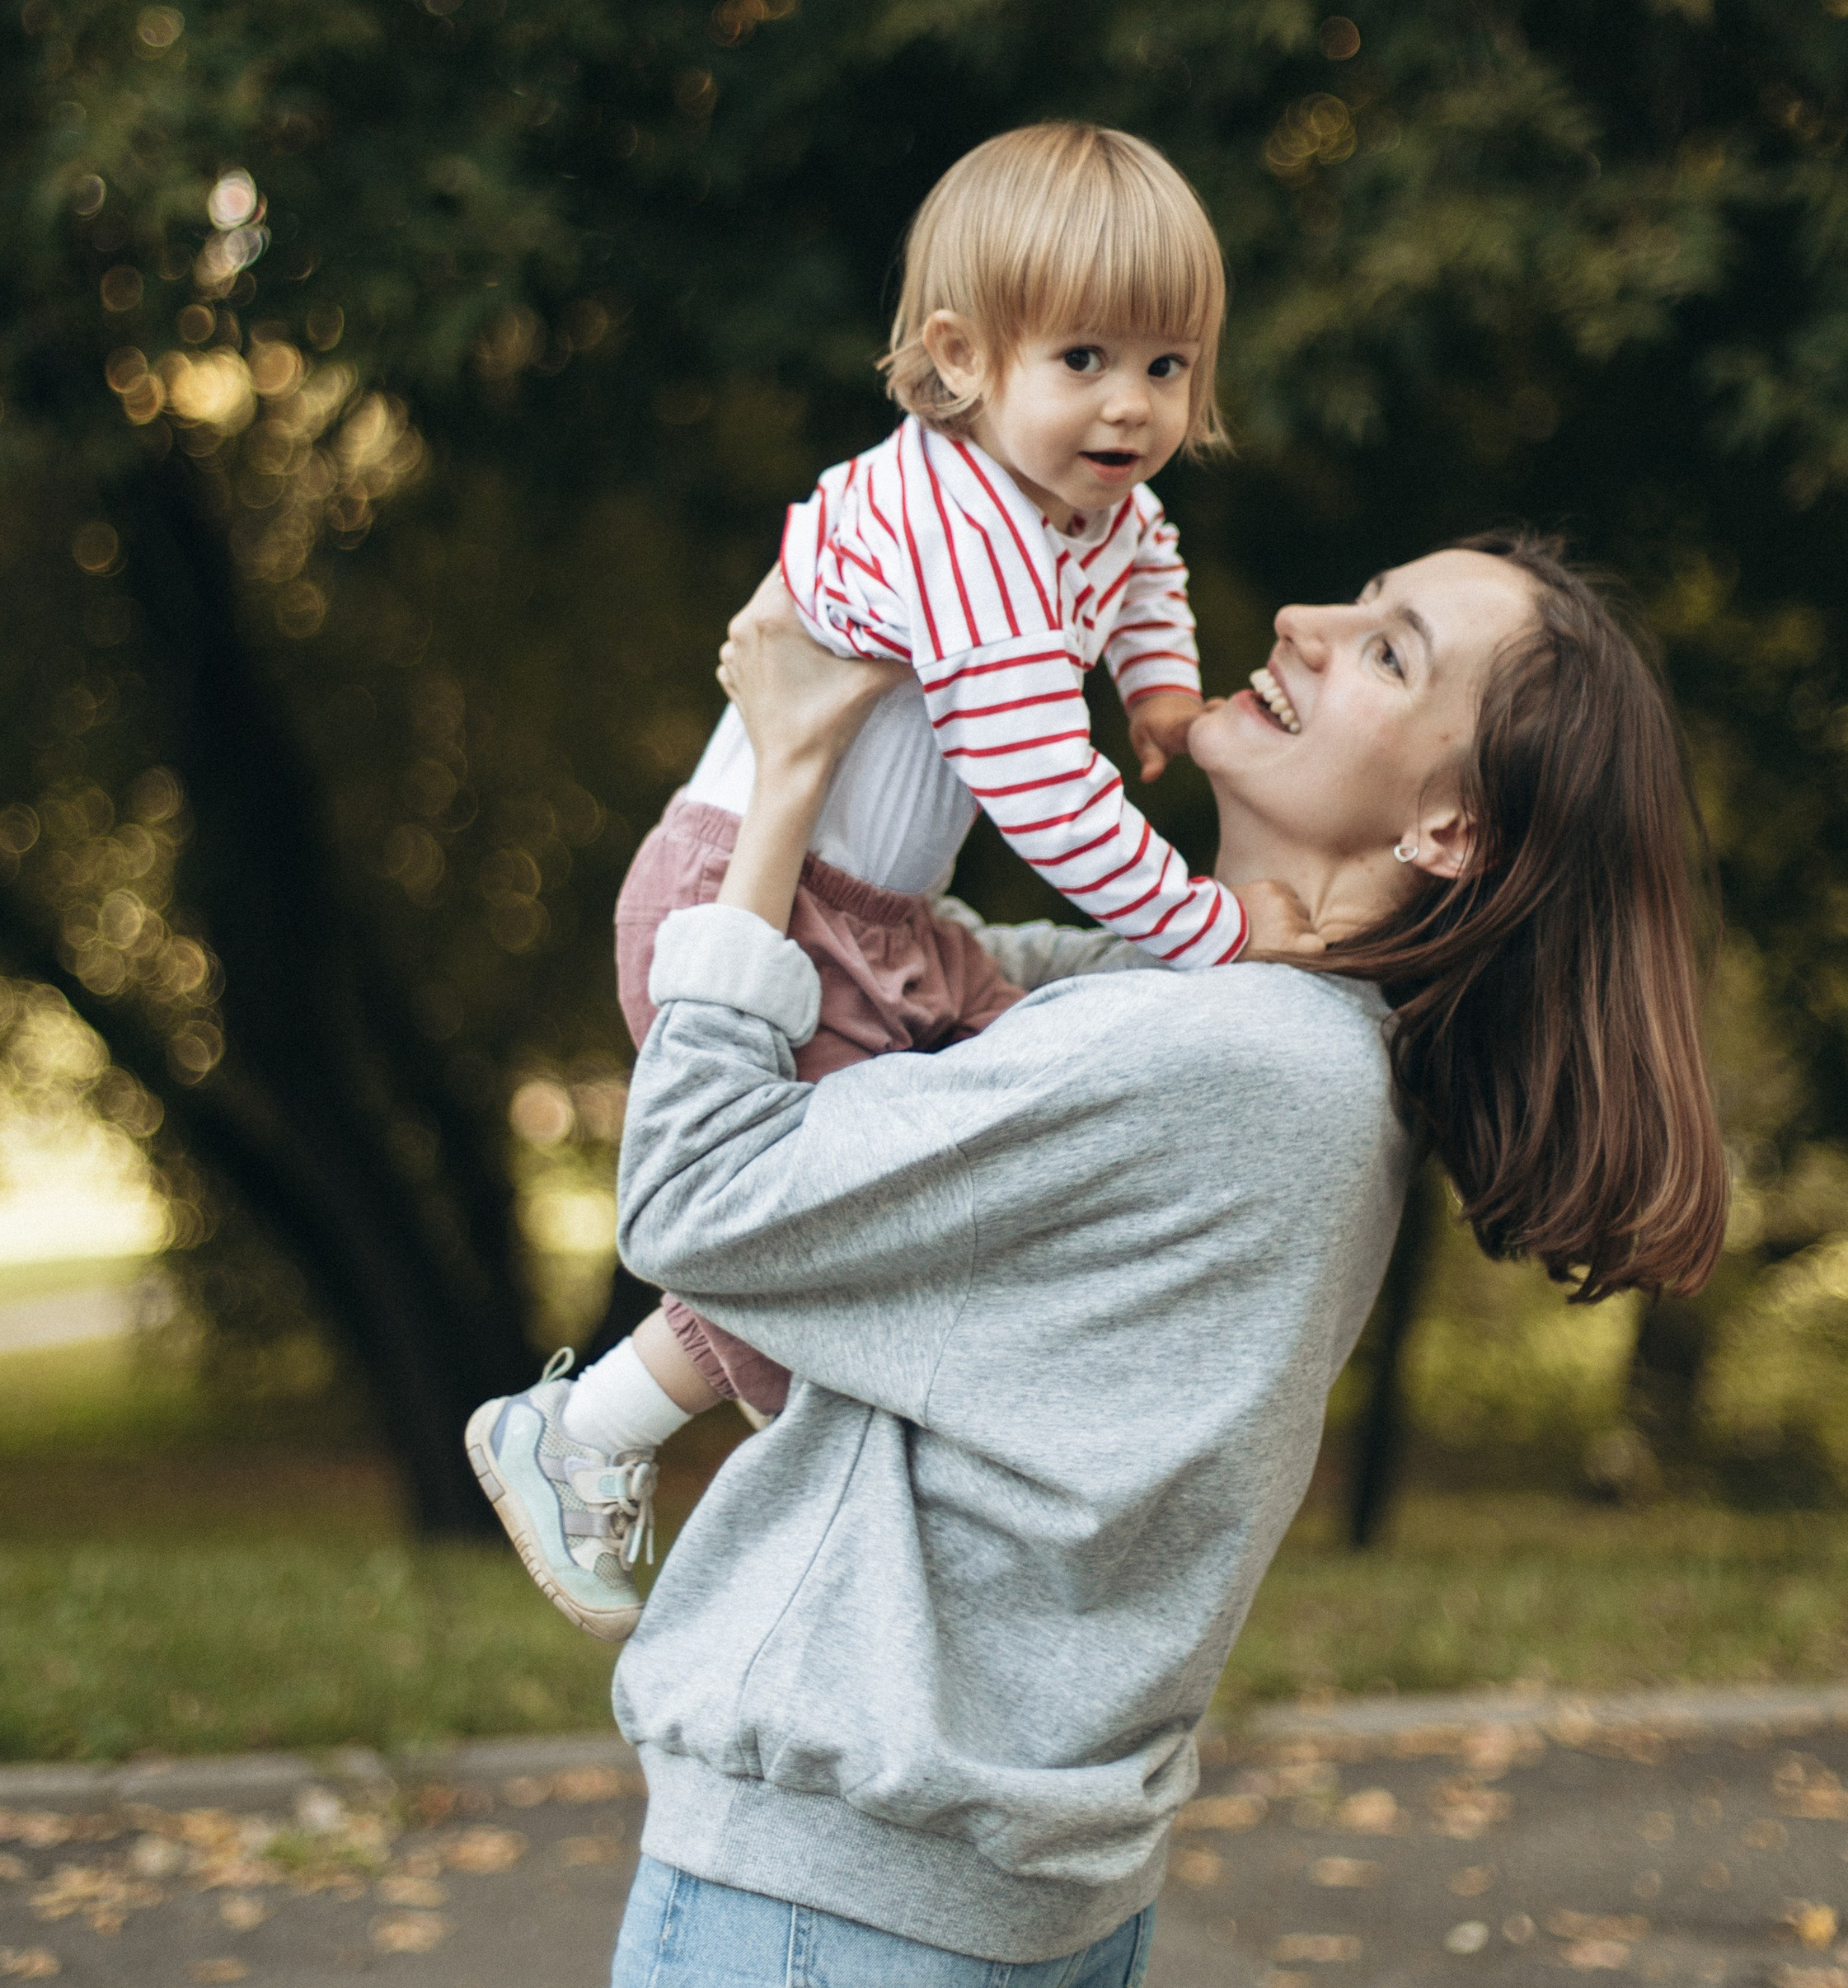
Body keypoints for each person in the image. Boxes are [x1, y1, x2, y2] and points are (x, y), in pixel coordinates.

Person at [574, 536, 1728, 1988]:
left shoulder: (1209, 1058)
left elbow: (693, 1201)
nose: (1289, 625)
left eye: (1382, 649)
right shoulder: (1268, 1034)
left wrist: (775, 781)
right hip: (1025, 1903)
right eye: (1345, 599)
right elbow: (946, 982)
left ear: (1447, 823)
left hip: (833, 1879)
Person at [468, 123, 1308, 1634]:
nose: (1133, 405)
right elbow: (1046, 802)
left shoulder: (1080, 493)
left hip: (880, 917)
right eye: (1087, 359)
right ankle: (587, 1429)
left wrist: (1163, 694)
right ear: (963, 357)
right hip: (750, 898)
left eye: (1170, 366)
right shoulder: (967, 535)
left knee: (1004, 1135)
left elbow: (1154, 562)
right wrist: (1210, 929)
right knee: (847, 1230)